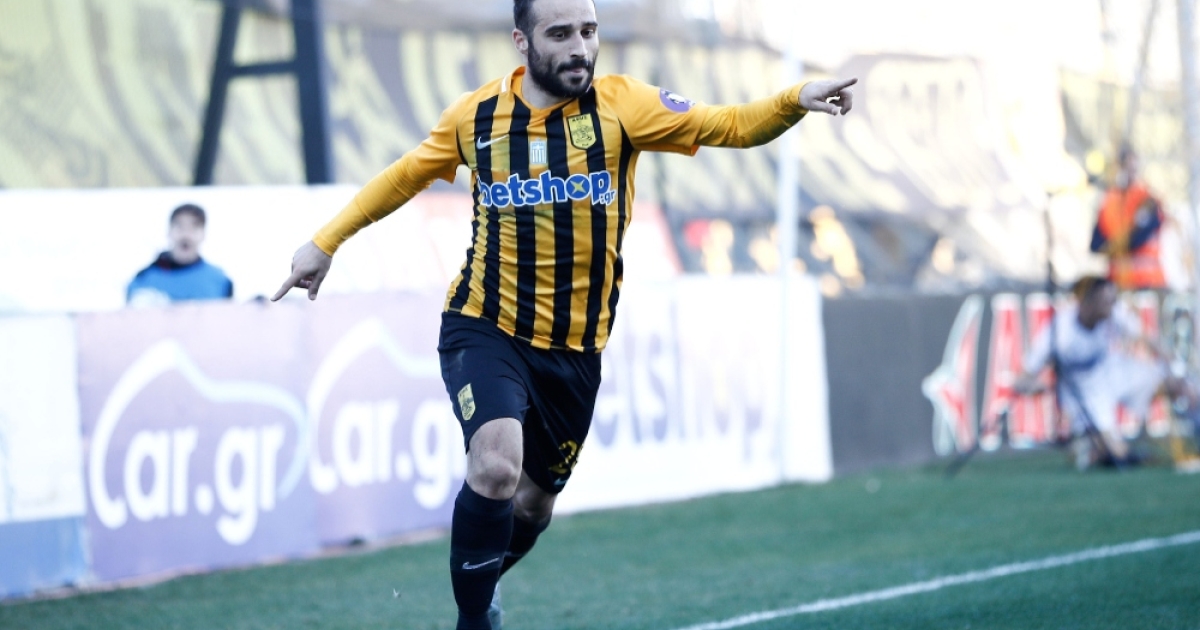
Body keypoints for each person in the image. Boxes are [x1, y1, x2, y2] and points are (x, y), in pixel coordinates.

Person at [272, 0, 855, 627]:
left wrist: (795, 99)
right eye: (560, 33)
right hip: (485, 323)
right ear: (522, 41)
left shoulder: (623, 106)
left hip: (575, 351)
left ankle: (482, 584)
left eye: (588, 31)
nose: (579, 47)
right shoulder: (476, 117)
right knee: (496, 466)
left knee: (532, 508)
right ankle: (474, 620)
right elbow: (405, 175)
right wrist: (325, 242)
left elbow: (730, 125)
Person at [1013, 276, 1193, 468]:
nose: (1112, 305)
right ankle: (1092, 448)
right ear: (1089, 302)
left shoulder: (1114, 313)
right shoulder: (1060, 331)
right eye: (1106, 301)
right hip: (1081, 390)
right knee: (1116, 453)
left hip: (1112, 370)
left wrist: (1173, 367)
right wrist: (1039, 386)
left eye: (1112, 300)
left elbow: (1147, 339)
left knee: (1182, 385)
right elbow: (1021, 380)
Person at [1089, 145, 1167, 291]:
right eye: (1126, 166)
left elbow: (1139, 237)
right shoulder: (1109, 201)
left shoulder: (1147, 200)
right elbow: (1095, 244)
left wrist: (1115, 245)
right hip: (1117, 282)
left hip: (1147, 282)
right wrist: (1113, 247)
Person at [127, 203, 233, 306]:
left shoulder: (220, 281)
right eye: (179, 227)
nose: (186, 235)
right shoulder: (143, 280)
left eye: (194, 228)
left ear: (203, 234)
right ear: (169, 232)